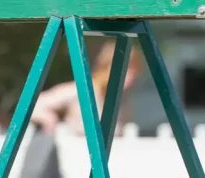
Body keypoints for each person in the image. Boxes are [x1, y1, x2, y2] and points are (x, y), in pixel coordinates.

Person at [20, 41, 143, 178]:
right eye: (127, 71)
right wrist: (49, 120)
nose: (131, 78)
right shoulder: (82, 90)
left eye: (134, 72)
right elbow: (34, 104)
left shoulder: (120, 99)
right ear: (107, 67)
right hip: (76, 165)